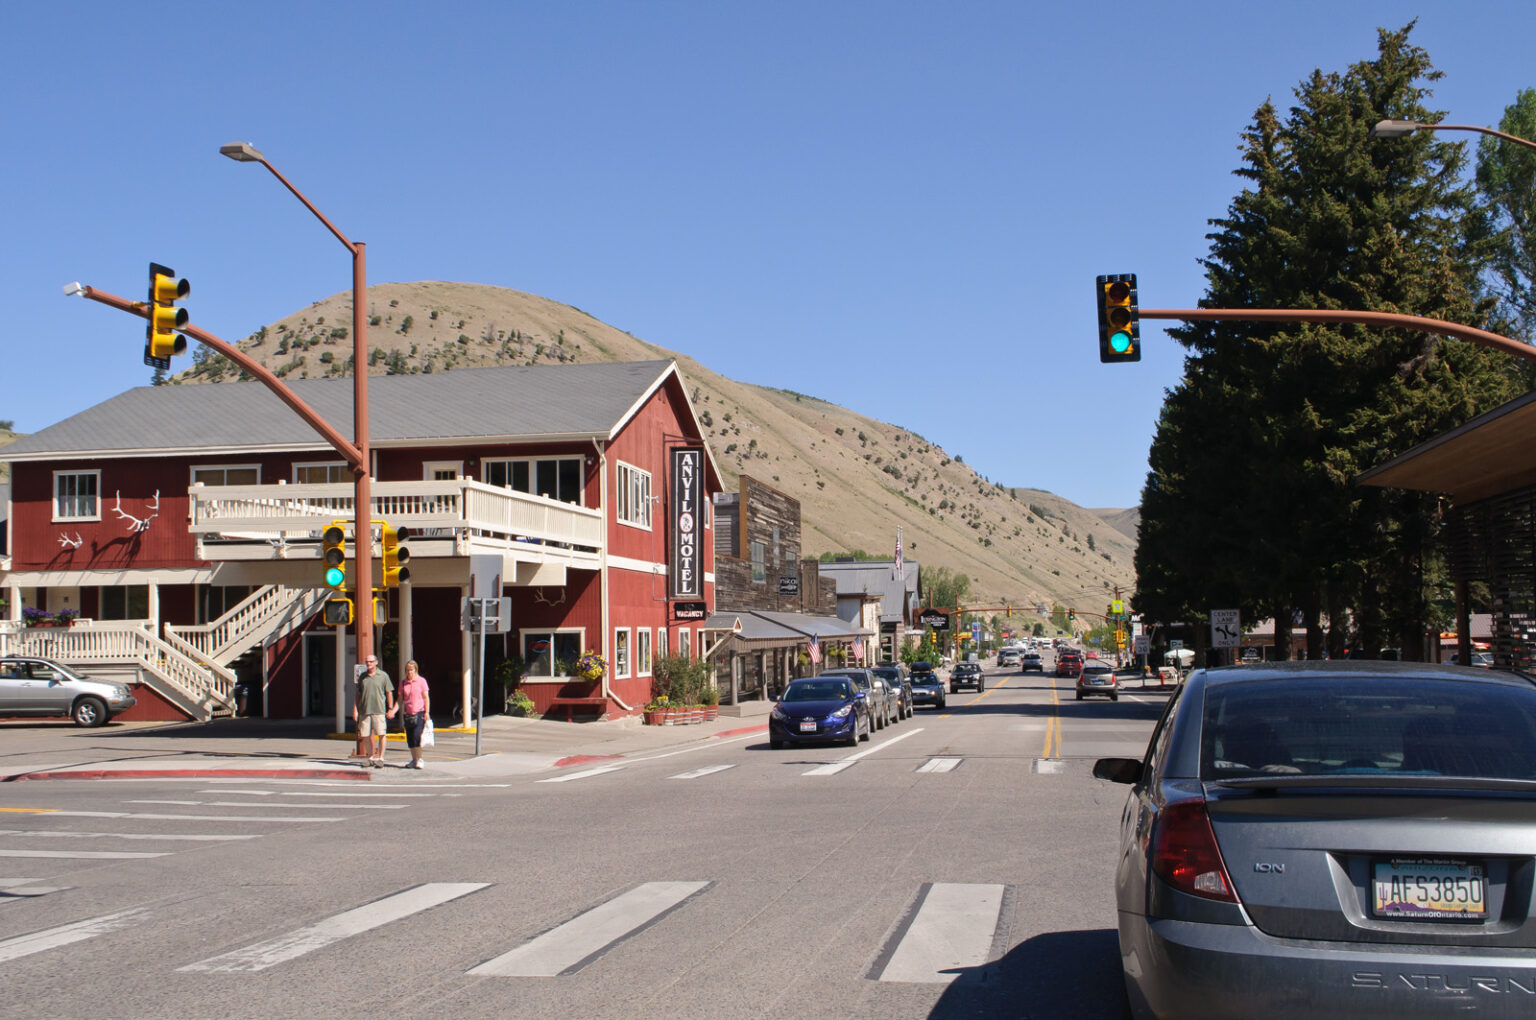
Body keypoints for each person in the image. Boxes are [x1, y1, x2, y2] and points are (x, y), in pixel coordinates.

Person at [353, 654, 396, 768]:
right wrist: (356, 710)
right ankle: (370, 757)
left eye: (371, 661)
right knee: (365, 735)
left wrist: (390, 708)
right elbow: (358, 694)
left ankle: (381, 758)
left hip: (379, 710)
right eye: (367, 662)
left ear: (376, 662)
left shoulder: (383, 676)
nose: (369, 664)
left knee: (381, 734)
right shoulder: (362, 677)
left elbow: (389, 692)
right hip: (365, 711)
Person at [398, 659, 431, 770]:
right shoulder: (403, 683)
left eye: (411, 670)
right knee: (410, 738)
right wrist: (393, 710)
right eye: (407, 670)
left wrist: (427, 712)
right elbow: (400, 699)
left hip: (419, 712)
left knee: (417, 736)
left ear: (415, 670)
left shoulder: (421, 681)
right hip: (408, 714)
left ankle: (419, 758)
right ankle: (414, 759)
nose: (409, 672)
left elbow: (426, 697)